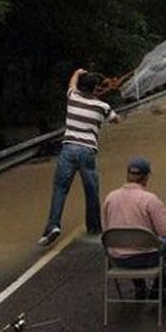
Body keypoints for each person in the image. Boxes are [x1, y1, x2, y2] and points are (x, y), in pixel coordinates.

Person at [38, 68, 120, 246]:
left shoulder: (73, 97)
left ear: (81, 87)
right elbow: (115, 119)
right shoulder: (103, 107)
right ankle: (94, 229)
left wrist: (78, 71)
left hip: (68, 150)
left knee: (60, 189)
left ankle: (53, 226)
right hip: (87, 152)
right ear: (95, 88)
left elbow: (72, 82)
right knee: (91, 191)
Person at [103, 157, 166, 303]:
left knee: (129, 244)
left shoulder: (110, 198)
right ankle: (159, 287)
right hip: (146, 258)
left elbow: (107, 229)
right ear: (145, 178)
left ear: (128, 175)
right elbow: (164, 230)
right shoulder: (150, 199)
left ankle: (140, 287)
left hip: (117, 260)